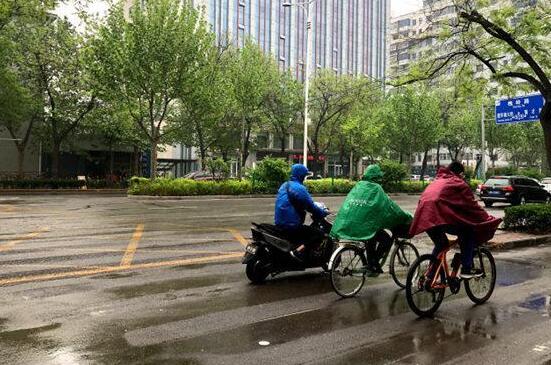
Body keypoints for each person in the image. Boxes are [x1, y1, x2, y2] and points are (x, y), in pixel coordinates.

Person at [409, 161, 502, 278]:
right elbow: (472, 206)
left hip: (425, 218)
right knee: (468, 233)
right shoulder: (458, 183)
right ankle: (466, 269)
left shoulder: (437, 181)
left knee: (441, 244)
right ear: (461, 173)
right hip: (439, 218)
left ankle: (430, 276)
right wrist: (487, 218)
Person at [330, 164, 413, 273]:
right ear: (376, 177)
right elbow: (390, 207)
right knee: (386, 240)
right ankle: (373, 264)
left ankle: (371, 264)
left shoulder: (358, 186)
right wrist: (406, 216)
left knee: (371, 237)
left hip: (349, 225)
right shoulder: (376, 189)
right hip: (364, 227)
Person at [274, 164, 328, 261]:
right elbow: (311, 206)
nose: (305, 177)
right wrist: (323, 213)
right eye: (304, 175)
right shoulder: (299, 188)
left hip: (279, 223)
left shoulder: (284, 185)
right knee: (318, 234)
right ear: (301, 175)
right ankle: (297, 251)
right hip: (291, 226)